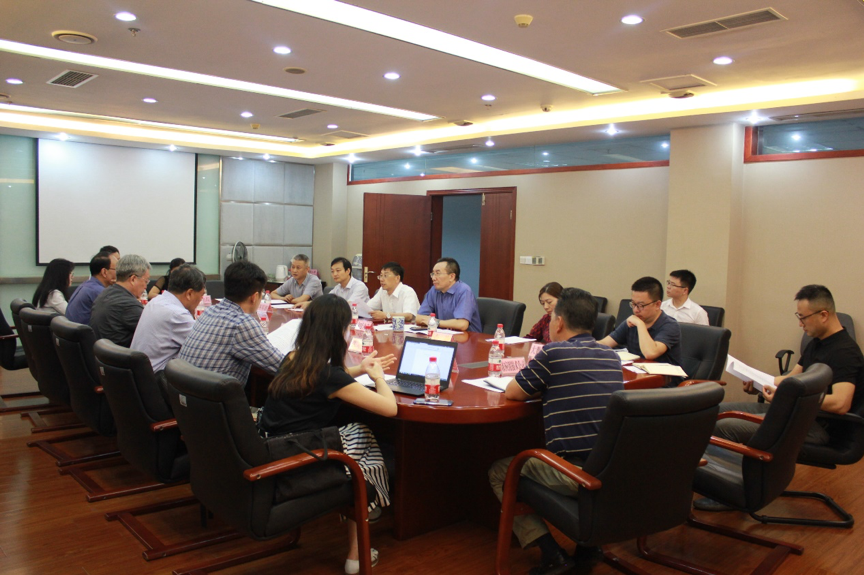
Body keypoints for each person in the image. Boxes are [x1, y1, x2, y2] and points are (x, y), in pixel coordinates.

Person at [488, 288, 623, 575]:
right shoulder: (611, 356)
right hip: (613, 469)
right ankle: (588, 548)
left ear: (559, 322)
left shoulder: (554, 353)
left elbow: (513, 392)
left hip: (579, 474)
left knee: (501, 471)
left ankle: (552, 555)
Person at [259, 294, 397, 573]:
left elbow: (328, 379)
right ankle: (357, 552)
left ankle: (367, 516)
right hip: (296, 463)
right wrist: (379, 378)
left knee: (357, 437)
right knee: (365, 441)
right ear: (339, 332)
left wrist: (359, 369)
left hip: (271, 449)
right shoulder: (329, 377)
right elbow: (389, 408)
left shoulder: (292, 359)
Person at [694, 285, 864, 511]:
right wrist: (759, 383)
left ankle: (730, 490)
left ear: (823, 315)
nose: (800, 324)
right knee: (716, 411)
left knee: (724, 426)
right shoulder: (818, 342)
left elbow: (841, 403)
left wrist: (789, 397)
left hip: (818, 426)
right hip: (795, 412)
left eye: (803, 318)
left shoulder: (845, 352)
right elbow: (790, 379)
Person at [179, 260, 284, 384]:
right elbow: (282, 365)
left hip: (184, 392)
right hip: (213, 394)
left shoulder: (209, 311)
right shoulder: (242, 324)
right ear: (255, 297)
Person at [598, 276, 682, 379]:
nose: (636, 310)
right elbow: (604, 343)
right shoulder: (632, 321)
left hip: (665, 383)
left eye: (641, 305)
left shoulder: (670, 325)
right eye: (633, 304)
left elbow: (650, 353)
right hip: (637, 376)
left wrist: (640, 325)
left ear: (657, 305)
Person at [131, 264, 207, 373]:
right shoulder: (177, 314)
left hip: (140, 373)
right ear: (189, 293)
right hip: (156, 378)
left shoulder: (156, 301)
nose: (201, 299)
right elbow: (204, 348)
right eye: (201, 295)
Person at [89, 254, 150, 347]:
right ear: (133, 279)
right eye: (146, 281)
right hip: (123, 354)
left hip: (103, 353)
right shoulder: (128, 305)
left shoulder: (106, 293)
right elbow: (154, 332)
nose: (146, 286)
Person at [415, 257, 482, 332]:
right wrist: (439, 323)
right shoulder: (434, 290)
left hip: (468, 336)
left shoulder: (464, 291)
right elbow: (419, 318)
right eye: (433, 274)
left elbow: (462, 324)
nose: (433, 278)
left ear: (451, 276)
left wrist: (435, 322)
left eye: (438, 273)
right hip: (444, 335)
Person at [66, 252, 118, 324]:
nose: (119, 273)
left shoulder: (86, 286)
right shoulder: (99, 292)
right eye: (116, 269)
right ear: (104, 272)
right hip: (87, 330)